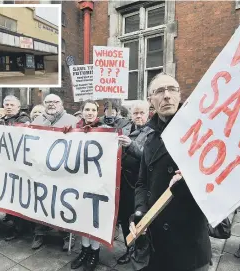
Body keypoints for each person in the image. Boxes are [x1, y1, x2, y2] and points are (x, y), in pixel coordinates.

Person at [129, 73, 211, 271]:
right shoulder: (150, 138)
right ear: (151, 101)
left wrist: (191, 181)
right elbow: (142, 183)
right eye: (159, 91)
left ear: (179, 95)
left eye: (172, 89)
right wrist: (140, 212)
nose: (166, 95)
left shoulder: (199, 131)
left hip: (189, 242)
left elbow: (215, 181)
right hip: (156, 241)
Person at [32, 94, 78, 251]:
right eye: (48, 102)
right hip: (42, 170)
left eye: (55, 102)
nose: (52, 104)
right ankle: (40, 233)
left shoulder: (72, 120)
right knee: (40, 201)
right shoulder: (37, 121)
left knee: (61, 203)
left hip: (63, 171)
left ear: (62, 104)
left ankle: (66, 236)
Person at [70, 100, 110, 271]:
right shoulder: (75, 129)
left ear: (97, 112)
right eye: (87, 109)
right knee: (82, 218)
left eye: (93, 109)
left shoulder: (105, 130)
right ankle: (84, 251)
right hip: (79, 181)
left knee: (95, 219)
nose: (90, 112)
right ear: (82, 112)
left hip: (98, 182)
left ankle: (95, 252)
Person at [116, 100, 153, 265]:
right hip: (122, 183)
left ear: (148, 113)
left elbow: (148, 156)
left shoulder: (152, 132)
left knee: (139, 221)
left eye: (141, 113)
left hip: (139, 185)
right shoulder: (124, 128)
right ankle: (129, 249)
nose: (138, 116)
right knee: (124, 219)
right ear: (131, 114)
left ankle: (141, 253)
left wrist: (130, 145)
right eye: (135, 113)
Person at [0, 95, 32, 240]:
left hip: (20, 166)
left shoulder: (23, 120)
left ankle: (19, 228)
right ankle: (15, 223)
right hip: (7, 165)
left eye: (12, 105)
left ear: (18, 107)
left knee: (18, 197)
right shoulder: (2, 121)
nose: (9, 106)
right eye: (6, 104)